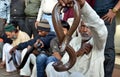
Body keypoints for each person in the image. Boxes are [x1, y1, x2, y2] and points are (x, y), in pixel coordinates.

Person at [45, 0, 108, 77]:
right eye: (82, 26)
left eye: (88, 27)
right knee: (50, 67)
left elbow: (99, 26)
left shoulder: (98, 42)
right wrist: (77, 53)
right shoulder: (74, 41)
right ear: (78, 28)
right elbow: (64, 61)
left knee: (76, 75)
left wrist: (83, 5)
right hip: (70, 73)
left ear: (92, 29)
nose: (84, 30)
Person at [90, 0, 120, 77]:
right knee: (94, 49)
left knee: (107, 50)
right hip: (94, 16)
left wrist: (114, 10)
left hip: (106, 16)